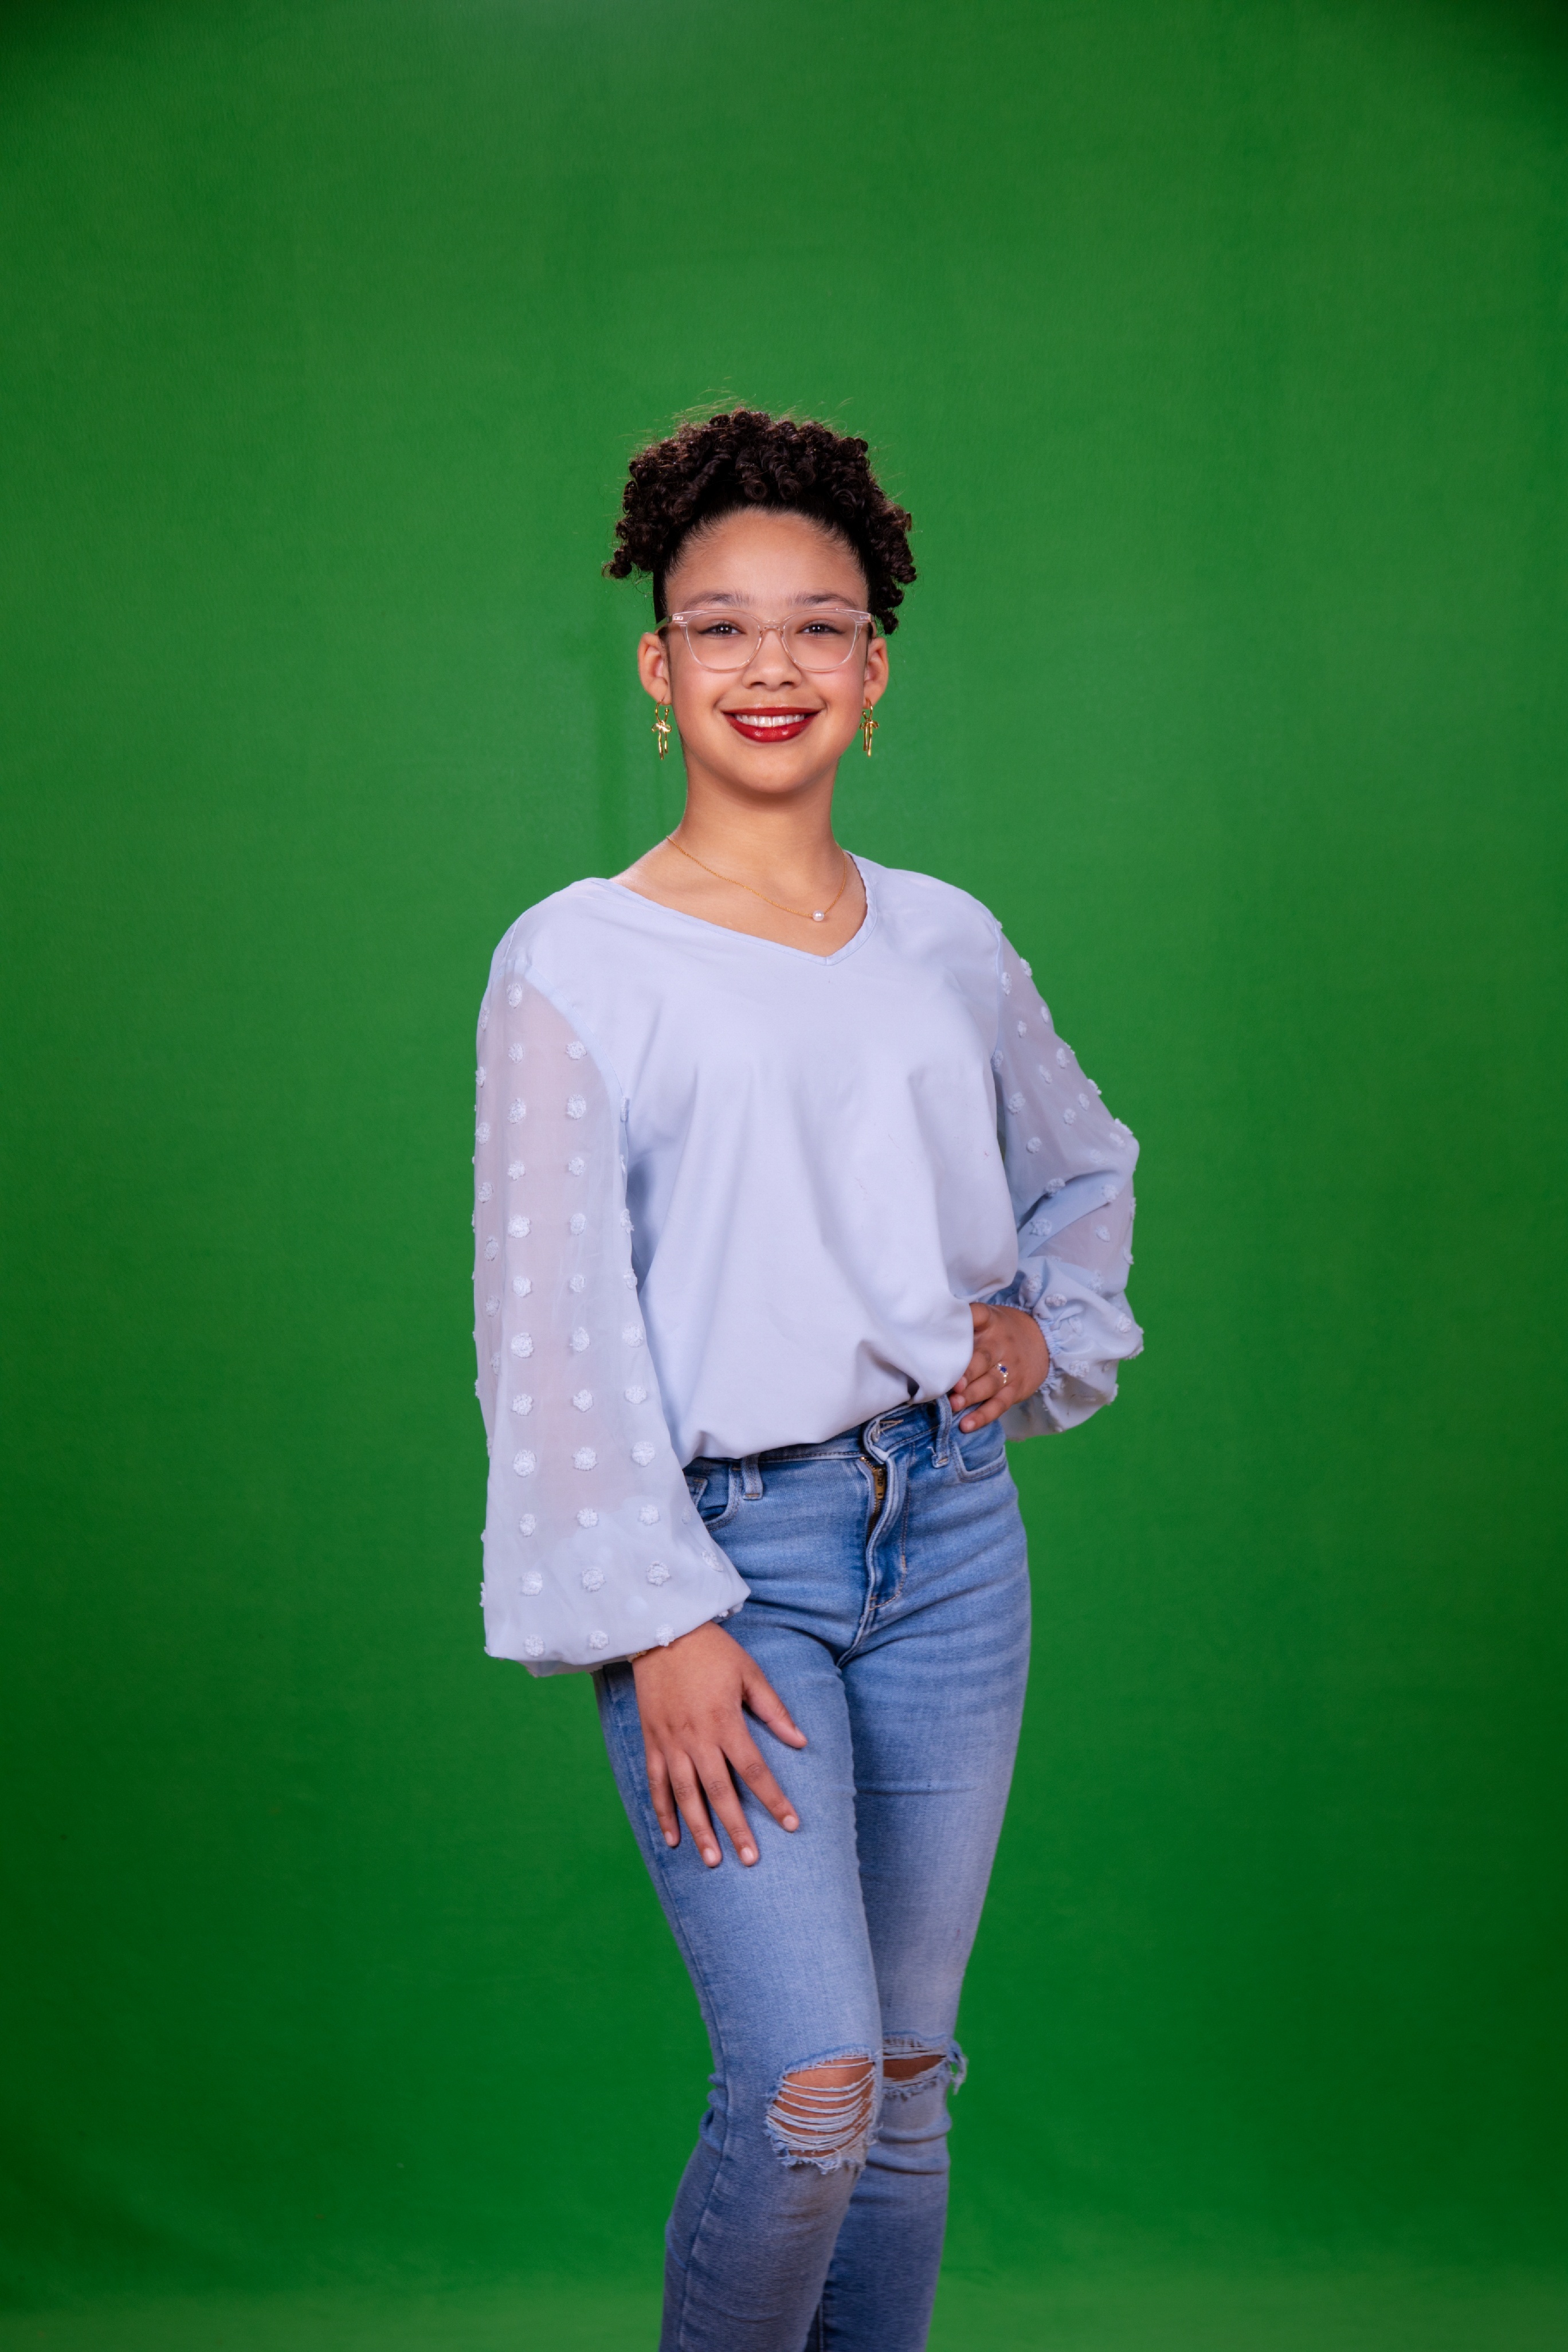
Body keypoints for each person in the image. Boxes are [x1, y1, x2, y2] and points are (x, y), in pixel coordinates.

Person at [471, 409, 1142, 2352]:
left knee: (908, 2086)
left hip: (951, 1536)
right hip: (724, 1564)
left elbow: (1081, 1163)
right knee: (809, 2087)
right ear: (658, 667)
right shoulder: (576, 962)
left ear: (875, 668)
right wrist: (661, 1618)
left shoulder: (947, 940)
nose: (773, 665)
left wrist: (1044, 1330)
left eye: (820, 626)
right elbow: (550, 1324)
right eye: (723, 627)